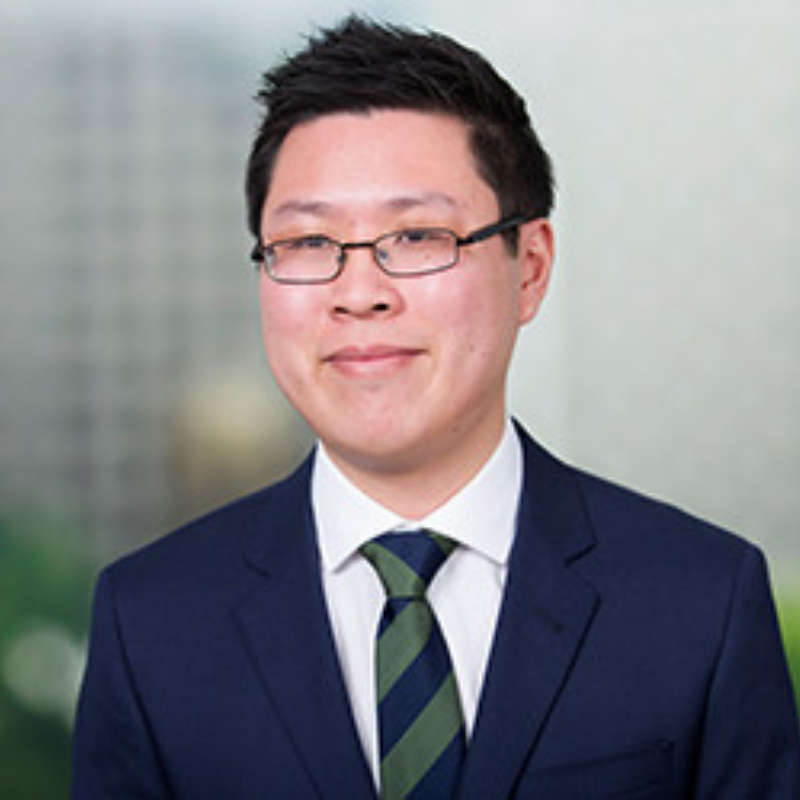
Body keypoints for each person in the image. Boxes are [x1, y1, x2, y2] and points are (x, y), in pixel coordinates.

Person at [72, 15, 800, 799]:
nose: (358, 294)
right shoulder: (150, 622)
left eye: (418, 235)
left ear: (530, 268)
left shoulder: (701, 603)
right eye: (309, 243)